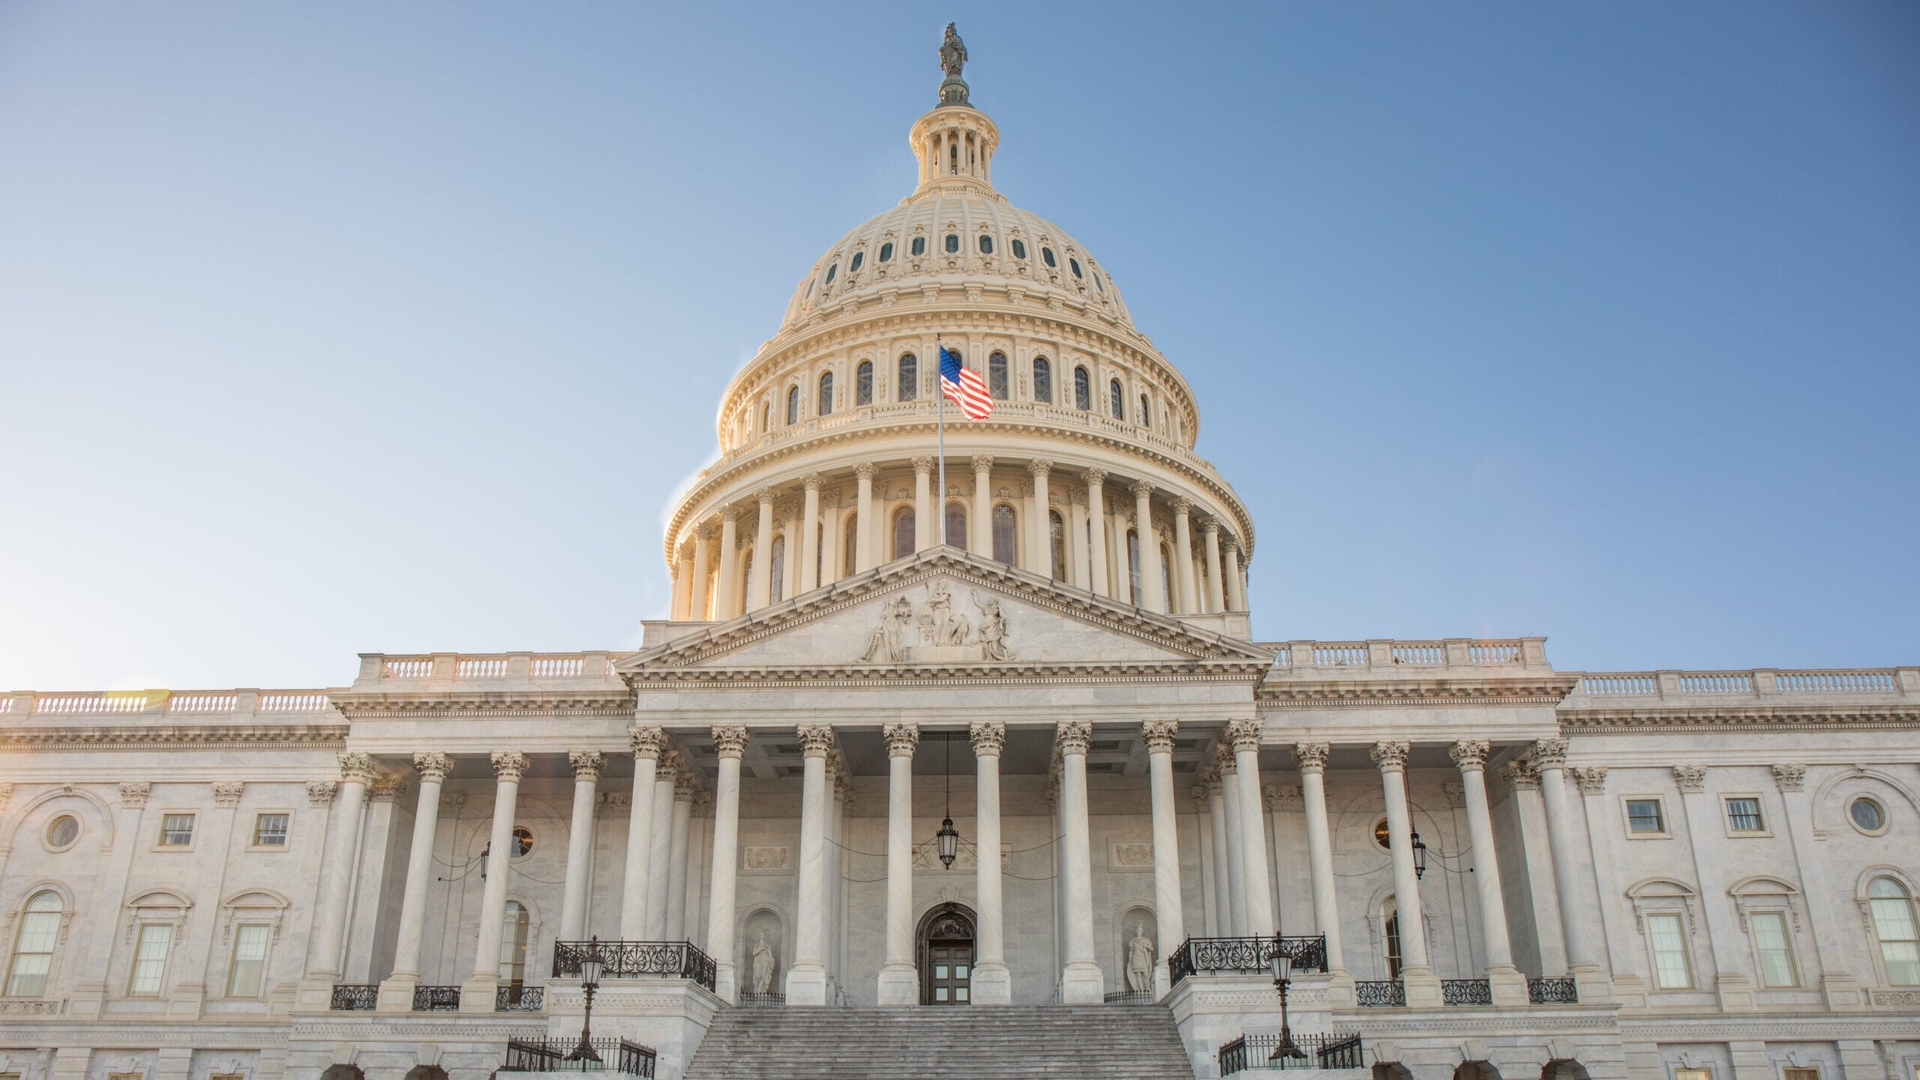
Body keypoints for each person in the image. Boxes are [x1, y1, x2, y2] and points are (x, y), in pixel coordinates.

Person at [1126, 924, 1154, 994]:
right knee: (1138, 974)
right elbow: (1131, 952)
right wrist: (1129, 961)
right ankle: (1141, 989)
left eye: (1140, 931)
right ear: (1136, 931)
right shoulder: (1133, 941)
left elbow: (1151, 949)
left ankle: (1147, 987)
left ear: (1142, 932)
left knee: (1145, 973)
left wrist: (1146, 946)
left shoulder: (1146, 940)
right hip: (1135, 958)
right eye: (1138, 931)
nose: (1139, 932)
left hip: (1143, 958)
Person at [751, 929, 776, 994]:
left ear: (765, 936)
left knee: (763, 976)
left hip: (765, 961)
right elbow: (754, 953)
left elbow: (770, 955)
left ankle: (760, 991)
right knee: (757, 976)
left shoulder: (767, 946)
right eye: (761, 935)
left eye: (763, 935)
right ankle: (757, 991)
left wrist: (772, 960)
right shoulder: (756, 945)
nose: (762, 936)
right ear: (759, 936)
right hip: (758, 962)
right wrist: (760, 949)